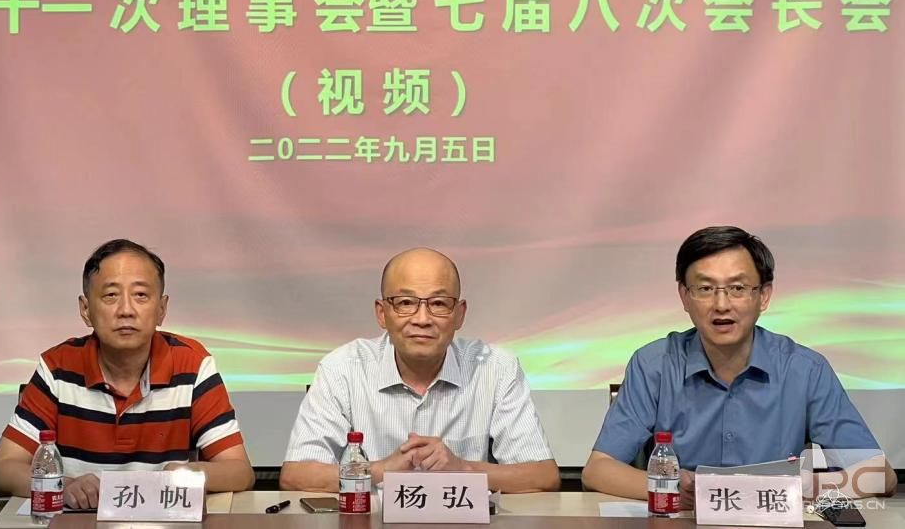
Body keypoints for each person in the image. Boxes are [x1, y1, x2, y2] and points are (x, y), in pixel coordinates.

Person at [582, 225, 896, 505]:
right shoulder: (655, 365)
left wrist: (795, 488)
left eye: (738, 288)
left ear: (764, 296)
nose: (721, 305)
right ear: (685, 297)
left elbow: (879, 475)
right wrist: (673, 486)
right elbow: (598, 470)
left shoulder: (804, 369)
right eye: (705, 289)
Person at [0, 239, 255, 505]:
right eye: (111, 295)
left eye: (141, 295)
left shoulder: (193, 365)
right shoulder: (58, 367)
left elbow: (239, 471)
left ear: (161, 309)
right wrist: (64, 486)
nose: (126, 310)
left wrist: (187, 474)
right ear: (86, 310)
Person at [280, 247, 560, 493]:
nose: (422, 319)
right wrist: (381, 470)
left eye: (438, 304)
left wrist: (461, 469)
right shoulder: (342, 369)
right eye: (405, 303)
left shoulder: (496, 369)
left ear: (459, 314)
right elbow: (296, 475)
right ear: (382, 313)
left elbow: (542, 476)